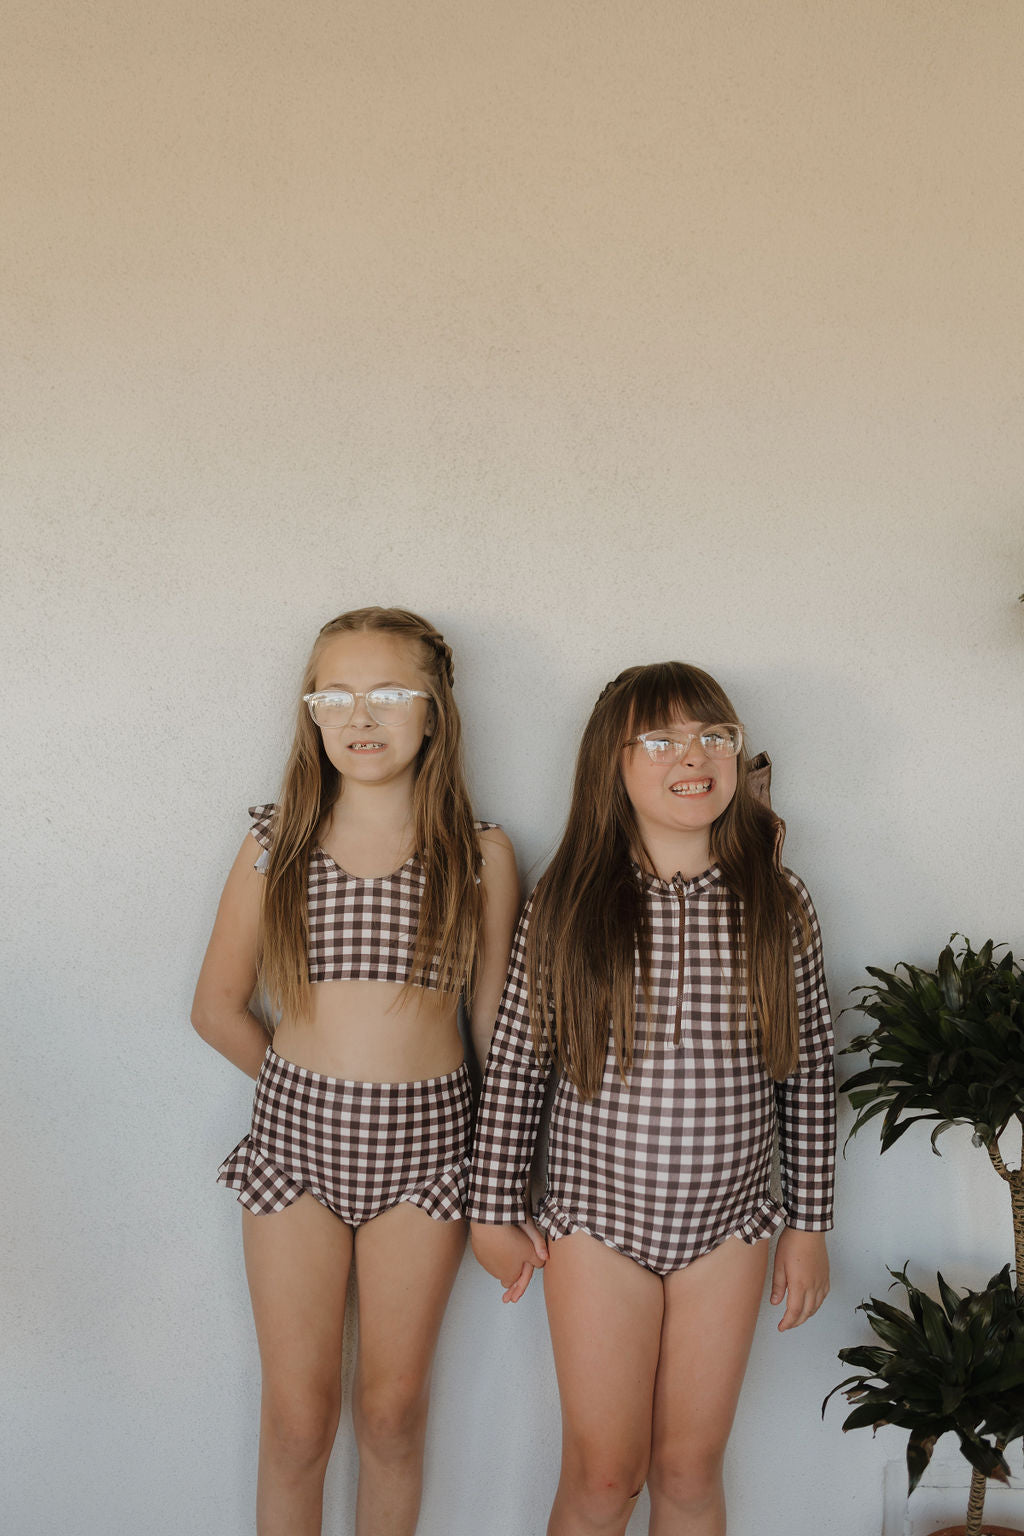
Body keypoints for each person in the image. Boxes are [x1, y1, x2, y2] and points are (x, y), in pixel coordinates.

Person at [468, 662, 835, 1536]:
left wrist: (810, 1224)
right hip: (598, 1224)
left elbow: (811, 1071)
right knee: (604, 1477)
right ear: (613, 763)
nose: (693, 755)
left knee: (688, 1468)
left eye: (714, 735)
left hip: (731, 1227)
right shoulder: (566, 905)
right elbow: (518, 1064)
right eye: (661, 739)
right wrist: (491, 1211)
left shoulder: (778, 903)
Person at [192, 606, 519, 1536]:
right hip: (294, 1155)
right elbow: (216, 1007)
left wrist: (507, 1174)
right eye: (333, 694)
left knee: (392, 1414)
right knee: (298, 1421)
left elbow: (497, 1034)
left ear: (435, 712)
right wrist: (306, 1089)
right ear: (311, 713)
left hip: (429, 1159)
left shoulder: (481, 853)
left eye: (387, 692)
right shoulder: (275, 843)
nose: (359, 714)